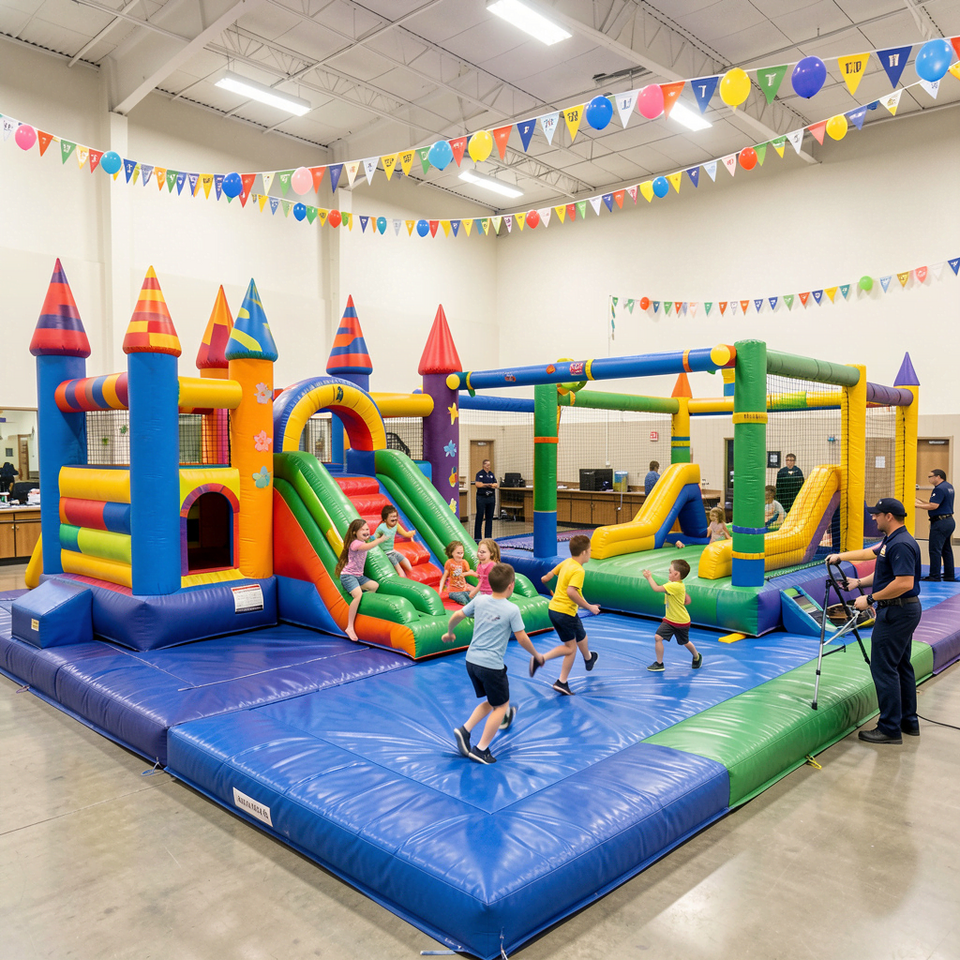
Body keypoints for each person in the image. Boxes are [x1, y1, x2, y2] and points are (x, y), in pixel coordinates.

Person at [827, 498, 922, 744]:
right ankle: (907, 720)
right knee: (901, 665)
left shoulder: (900, 544)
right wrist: (848, 566)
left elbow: (903, 583)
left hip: (897, 612)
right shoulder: (893, 540)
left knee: (884, 667)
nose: (873, 518)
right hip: (902, 611)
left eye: (876, 514)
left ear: (889, 516)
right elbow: (875, 560)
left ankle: (889, 728)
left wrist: (869, 599)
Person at [443, 562, 543, 764]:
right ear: (511, 586)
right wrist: (536, 655)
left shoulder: (480, 600)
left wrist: (450, 632)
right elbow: (522, 638)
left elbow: (456, 615)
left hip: (472, 661)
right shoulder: (512, 609)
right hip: (491, 666)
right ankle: (481, 749)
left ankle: (464, 730)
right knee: (501, 705)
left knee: (492, 701)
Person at [534, 534, 599, 695]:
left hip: (555, 609)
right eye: (590, 550)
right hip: (564, 612)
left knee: (580, 633)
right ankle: (560, 680)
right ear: (584, 552)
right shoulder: (578, 570)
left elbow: (546, 577)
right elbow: (571, 591)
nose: (591, 552)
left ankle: (589, 658)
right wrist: (589, 607)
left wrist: (547, 580)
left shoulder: (567, 562)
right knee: (570, 649)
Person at [642, 559, 702, 671]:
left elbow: (656, 588)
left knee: (684, 642)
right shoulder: (674, 584)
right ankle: (659, 664)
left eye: (670, 572)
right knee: (658, 637)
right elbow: (684, 599)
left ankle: (696, 656)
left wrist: (649, 577)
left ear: (676, 574)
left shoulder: (675, 586)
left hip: (681, 621)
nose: (668, 573)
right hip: (670, 620)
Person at [336, 518, 387, 642]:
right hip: (348, 576)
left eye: (367, 529)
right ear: (354, 532)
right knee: (358, 595)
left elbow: (369, 543)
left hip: (359, 576)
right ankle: (349, 627)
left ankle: (363, 610)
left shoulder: (362, 542)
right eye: (362, 529)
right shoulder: (355, 543)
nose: (366, 531)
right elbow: (367, 546)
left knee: (374, 586)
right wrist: (381, 540)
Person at [915, 469, 956, 582]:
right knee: (946, 549)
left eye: (930, 476)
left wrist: (917, 505)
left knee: (935, 549)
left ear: (938, 477)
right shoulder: (948, 486)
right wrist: (919, 501)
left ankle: (934, 576)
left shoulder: (939, 489)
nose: (929, 479)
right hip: (949, 521)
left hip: (940, 523)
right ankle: (949, 575)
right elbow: (935, 502)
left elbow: (933, 506)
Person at [374, 505, 415, 578]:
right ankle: (404, 583)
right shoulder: (381, 527)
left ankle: (410, 578)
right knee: (401, 572)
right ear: (385, 519)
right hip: (386, 553)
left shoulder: (396, 525)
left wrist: (410, 534)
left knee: (408, 565)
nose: (395, 519)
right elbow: (374, 538)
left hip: (392, 551)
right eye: (392, 517)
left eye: (395, 516)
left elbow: (404, 533)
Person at [440, 540, 475, 605]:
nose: (460, 555)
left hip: (464, 589)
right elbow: (444, 576)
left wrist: (473, 572)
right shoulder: (449, 562)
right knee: (464, 600)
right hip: (453, 591)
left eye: (462, 553)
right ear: (452, 553)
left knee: (474, 598)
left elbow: (469, 571)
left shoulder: (464, 562)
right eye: (458, 553)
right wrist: (440, 589)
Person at [474, 458, 498, 540]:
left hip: (491, 498)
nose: (488, 466)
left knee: (489, 518)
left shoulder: (491, 474)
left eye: (489, 465)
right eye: (487, 465)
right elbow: (478, 484)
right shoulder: (479, 474)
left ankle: (488, 537)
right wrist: (488, 485)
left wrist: (489, 485)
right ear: (483, 465)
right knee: (479, 516)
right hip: (481, 498)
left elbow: (496, 484)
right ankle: (477, 537)